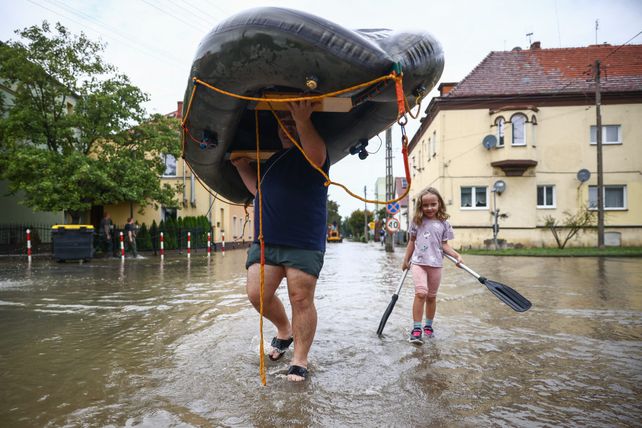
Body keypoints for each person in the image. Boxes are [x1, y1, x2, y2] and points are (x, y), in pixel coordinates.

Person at [231, 100, 329, 382]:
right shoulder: (273, 160)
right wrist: (241, 168)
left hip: (303, 240)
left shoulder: (314, 153)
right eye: (282, 123)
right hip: (267, 240)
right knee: (256, 293)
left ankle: (300, 360)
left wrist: (301, 120)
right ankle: (284, 330)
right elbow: (259, 191)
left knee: (301, 298)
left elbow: (317, 157)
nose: (285, 128)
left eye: (290, 123)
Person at [401, 187, 462, 344]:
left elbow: (445, 246)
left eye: (433, 204)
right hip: (419, 263)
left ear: (439, 204)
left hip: (436, 264)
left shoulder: (444, 224)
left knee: (431, 296)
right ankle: (416, 329)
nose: (429, 208)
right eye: (425, 205)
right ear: (420, 206)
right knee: (421, 293)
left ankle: (428, 326)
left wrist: (456, 256)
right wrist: (405, 260)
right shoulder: (417, 222)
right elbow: (412, 242)